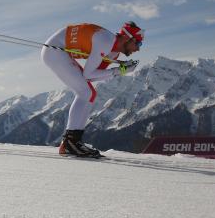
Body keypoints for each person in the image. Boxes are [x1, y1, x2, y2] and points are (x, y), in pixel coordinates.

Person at [41, 21, 143, 157]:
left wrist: (120, 70)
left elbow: (92, 77)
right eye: (137, 43)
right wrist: (120, 70)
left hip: (58, 50)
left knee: (89, 93)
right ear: (126, 37)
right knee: (85, 92)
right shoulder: (105, 41)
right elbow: (88, 74)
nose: (138, 49)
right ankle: (70, 143)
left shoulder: (113, 53)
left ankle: (72, 142)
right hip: (54, 51)